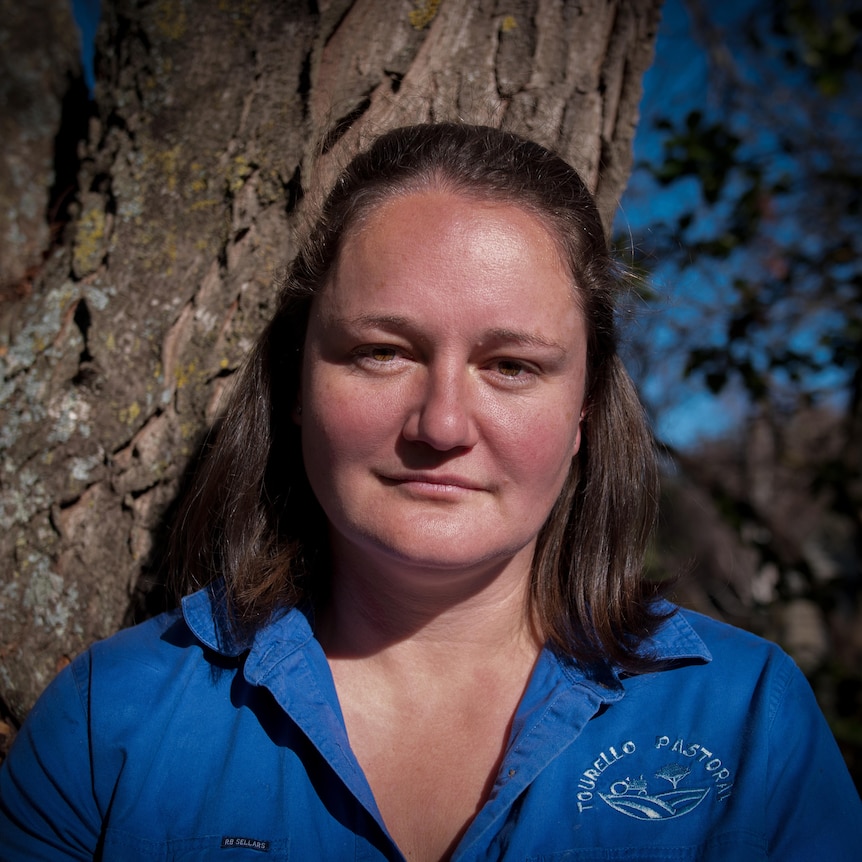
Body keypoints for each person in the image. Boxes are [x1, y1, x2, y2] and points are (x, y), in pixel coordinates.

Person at [1, 123, 859, 861]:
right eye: (383, 351)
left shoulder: (747, 719)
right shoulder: (107, 721)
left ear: (586, 409)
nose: (443, 425)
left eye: (512, 366)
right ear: (296, 387)